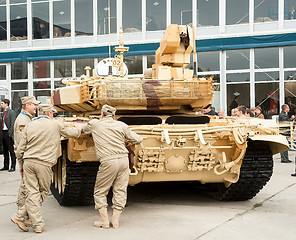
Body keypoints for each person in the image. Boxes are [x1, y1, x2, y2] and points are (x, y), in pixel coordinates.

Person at [12, 104, 81, 233]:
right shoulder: (55, 124)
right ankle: (32, 222)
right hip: (43, 163)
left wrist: (21, 165)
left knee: (32, 192)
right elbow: (73, 133)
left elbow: (20, 149)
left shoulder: (30, 124)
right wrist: (82, 129)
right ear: (50, 113)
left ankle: (24, 217)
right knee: (42, 192)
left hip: (28, 162)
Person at [82, 104, 143, 229]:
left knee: (100, 191)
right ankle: (115, 221)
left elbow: (83, 131)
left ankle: (104, 221)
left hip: (108, 161)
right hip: (123, 160)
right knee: (120, 190)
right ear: (114, 115)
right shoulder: (122, 125)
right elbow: (137, 139)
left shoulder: (95, 124)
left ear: (102, 114)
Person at [11, 96, 40, 230]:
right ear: (27, 105)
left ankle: (25, 216)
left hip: (28, 158)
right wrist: (21, 164)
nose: (36, 107)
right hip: (26, 158)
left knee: (27, 188)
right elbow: (21, 144)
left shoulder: (27, 118)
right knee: (25, 189)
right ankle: (22, 216)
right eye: (34, 105)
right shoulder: (23, 120)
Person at [0, 99, 16, 172]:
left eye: (2, 103)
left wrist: (10, 133)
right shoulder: (3, 113)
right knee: (5, 150)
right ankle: (6, 165)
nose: (1, 105)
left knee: (11, 150)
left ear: (6, 104)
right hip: (3, 132)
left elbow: (13, 123)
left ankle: (13, 166)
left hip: (8, 133)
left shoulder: (11, 112)